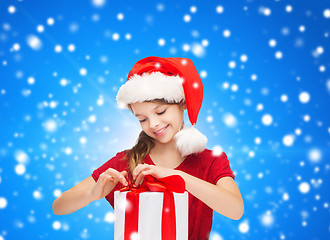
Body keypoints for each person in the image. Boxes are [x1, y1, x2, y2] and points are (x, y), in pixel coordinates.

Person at [52, 56, 244, 239]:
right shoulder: (127, 162)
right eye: (142, 119)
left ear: (183, 103)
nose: (153, 124)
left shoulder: (209, 161)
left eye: (160, 112)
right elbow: (58, 207)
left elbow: (235, 209)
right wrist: (93, 194)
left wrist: (177, 178)